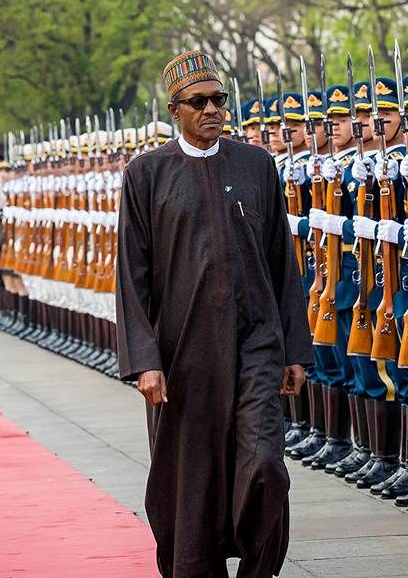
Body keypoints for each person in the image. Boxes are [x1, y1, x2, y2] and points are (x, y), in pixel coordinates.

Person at [116, 50, 311, 578]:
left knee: (266, 465)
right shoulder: (146, 175)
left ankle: (258, 568)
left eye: (219, 100)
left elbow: (281, 261)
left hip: (257, 346)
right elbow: (131, 275)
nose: (212, 110)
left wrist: (295, 348)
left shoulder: (256, 165)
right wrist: (144, 360)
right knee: (190, 479)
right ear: (173, 110)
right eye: (198, 102)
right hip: (183, 356)